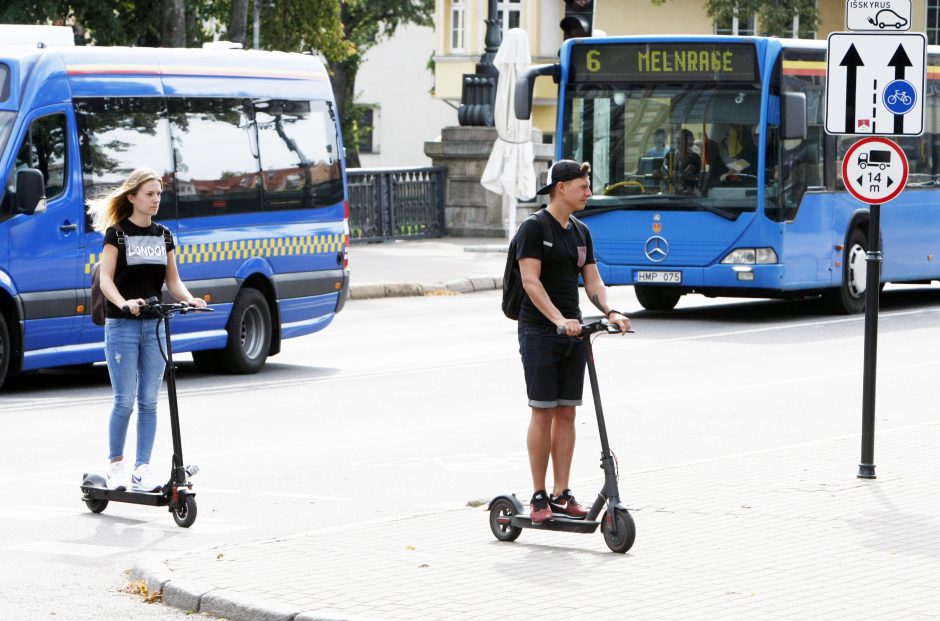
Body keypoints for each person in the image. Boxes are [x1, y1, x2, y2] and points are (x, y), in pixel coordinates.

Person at [515, 160, 631, 524]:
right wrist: (557, 320)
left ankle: (562, 493)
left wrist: (610, 311)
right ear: (561, 187)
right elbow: (530, 281)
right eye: (583, 186)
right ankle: (538, 496)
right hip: (539, 330)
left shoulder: (581, 232)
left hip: (572, 332)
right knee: (543, 410)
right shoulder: (534, 228)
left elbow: (592, 281)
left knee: (568, 411)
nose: (589, 193)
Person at [88, 168, 208, 492]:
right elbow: (106, 280)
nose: (156, 200)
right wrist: (124, 302)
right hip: (123, 326)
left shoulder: (163, 235)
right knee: (124, 400)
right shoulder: (117, 234)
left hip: (154, 325)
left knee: (150, 402)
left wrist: (190, 299)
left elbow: (173, 281)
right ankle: (116, 466)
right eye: (149, 194)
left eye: (159, 194)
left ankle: (142, 470)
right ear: (132, 197)